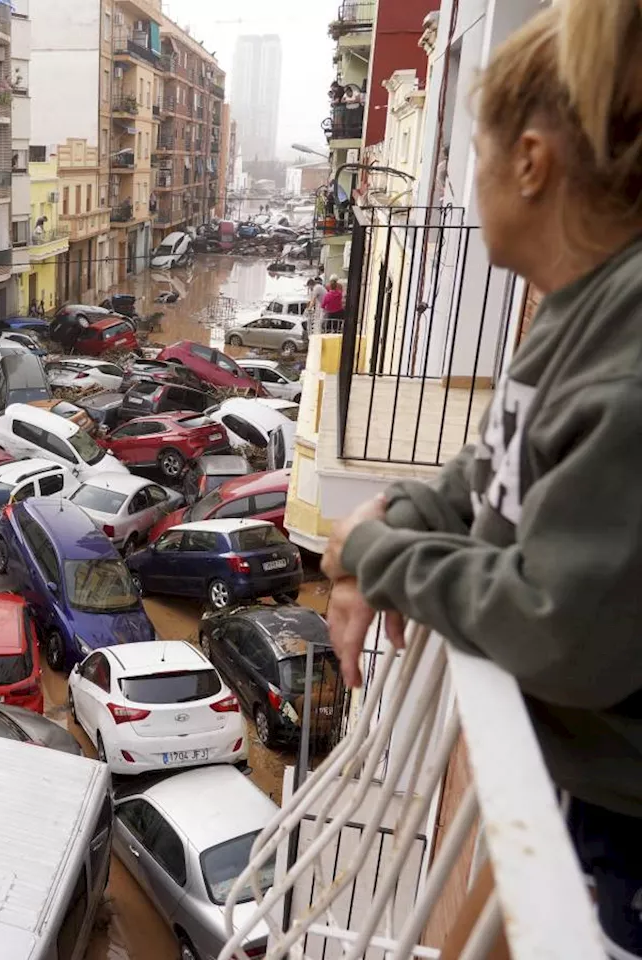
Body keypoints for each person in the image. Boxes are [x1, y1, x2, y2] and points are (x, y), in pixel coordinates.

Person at [321, 1, 642, 954]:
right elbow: (490, 464)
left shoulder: (626, 355)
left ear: (532, 163)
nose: (467, 177)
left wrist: (374, 547)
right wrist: (401, 517)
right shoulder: (580, 310)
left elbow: (558, 625)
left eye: (475, 148)